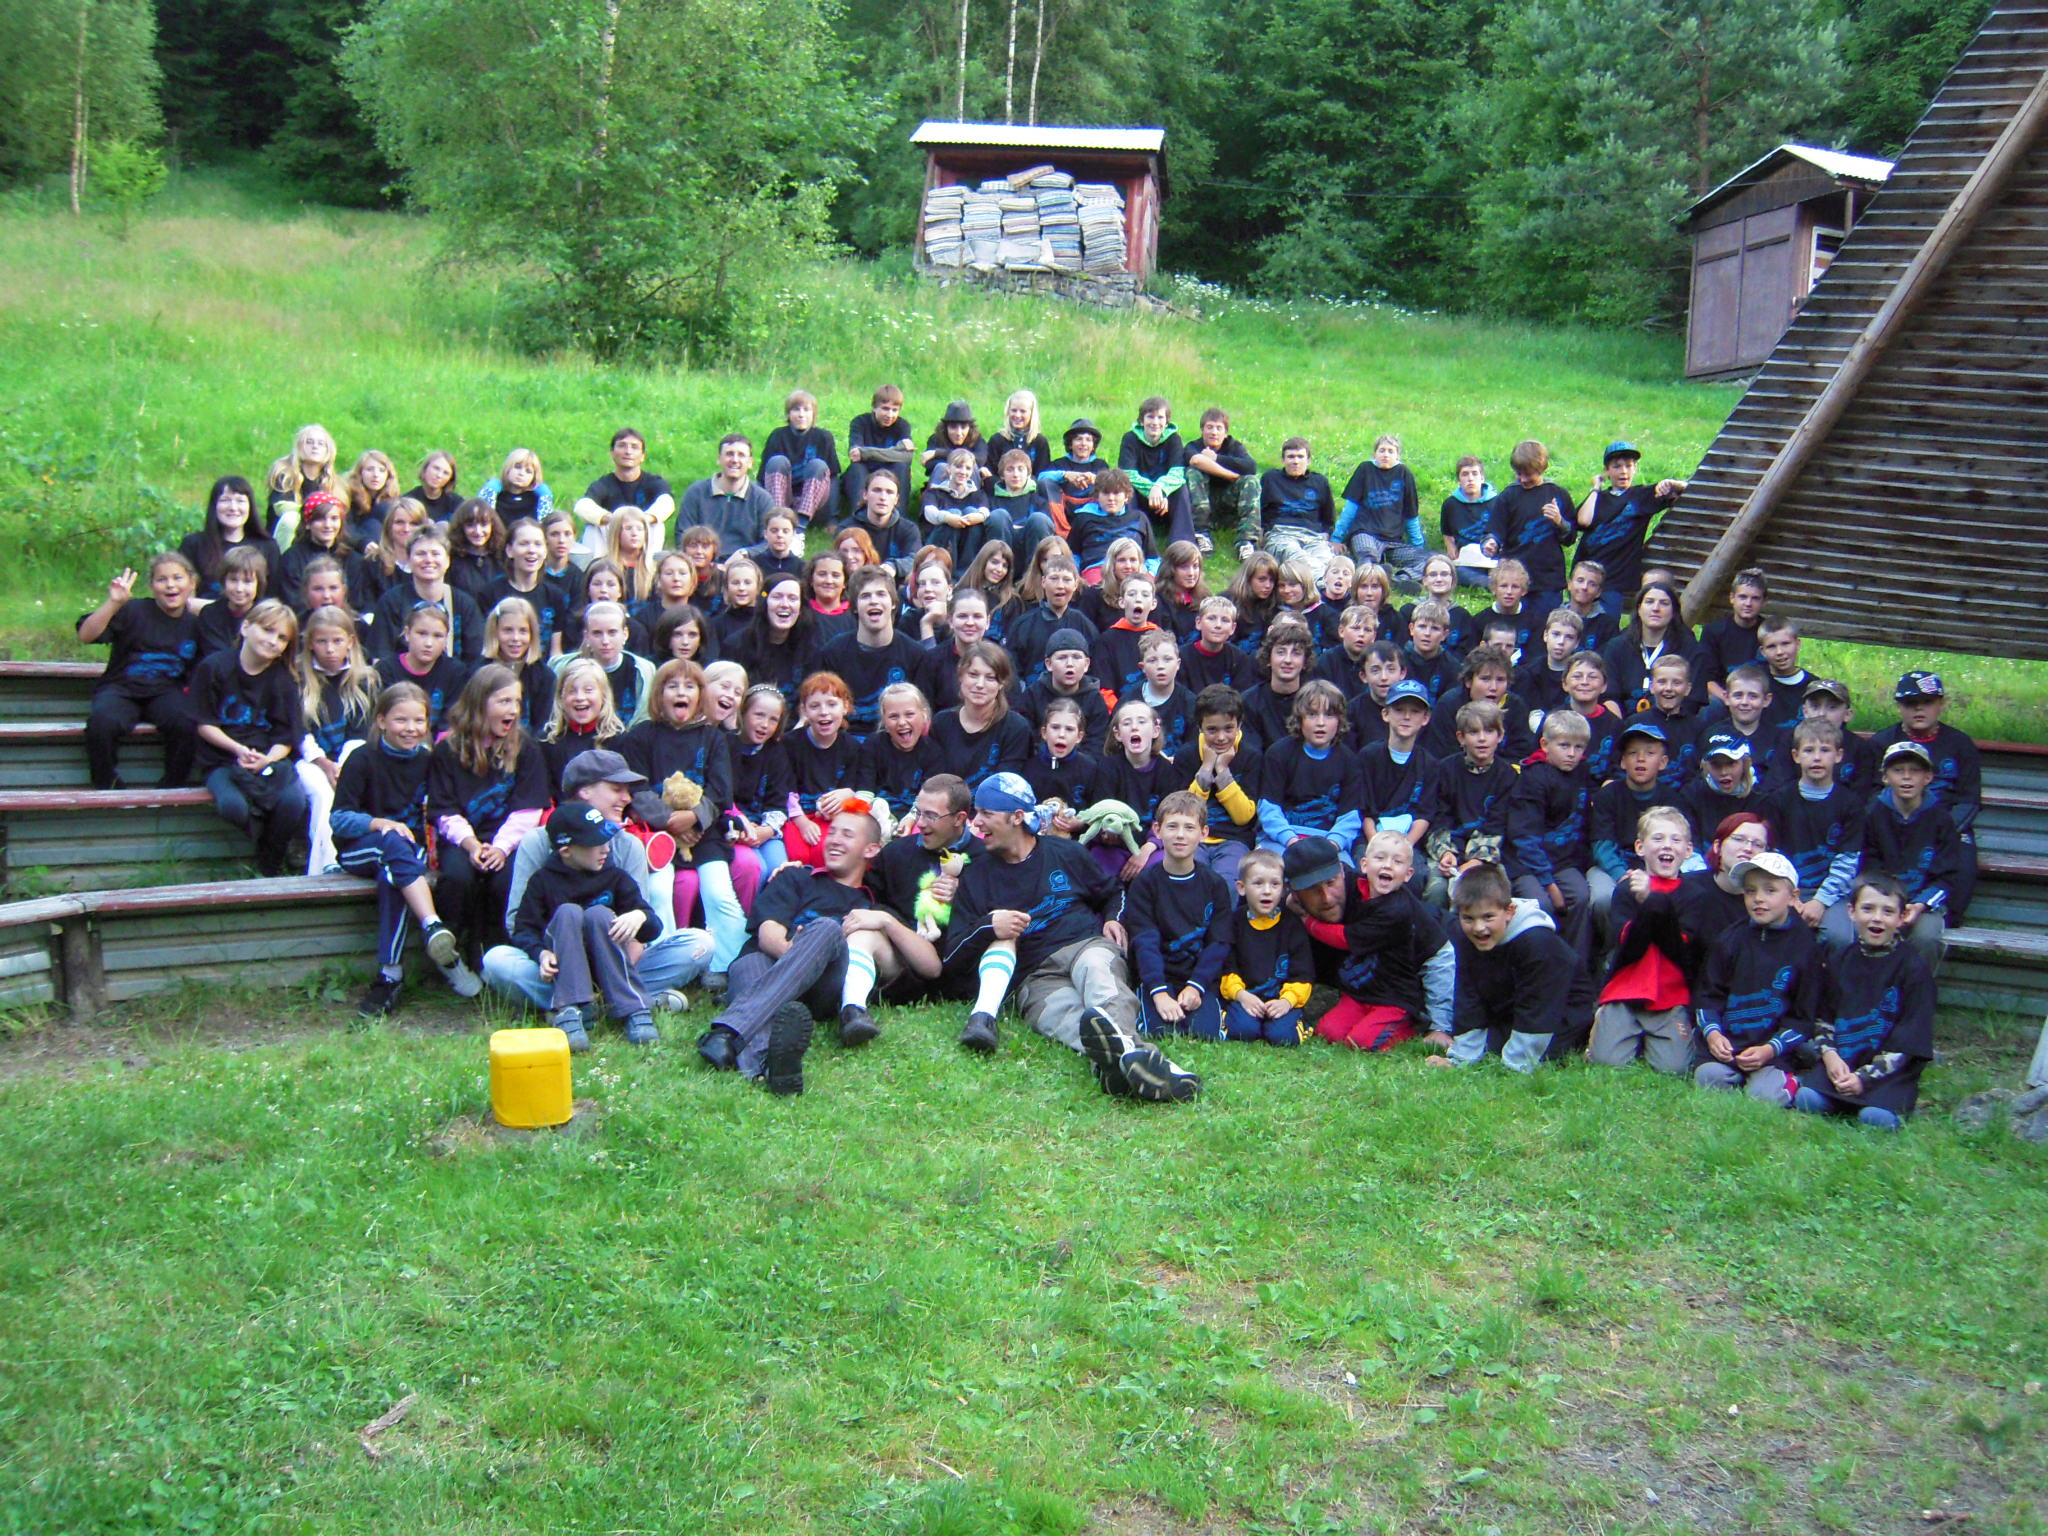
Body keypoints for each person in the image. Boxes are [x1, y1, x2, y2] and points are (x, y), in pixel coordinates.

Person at [942, 773, 1202, 1100]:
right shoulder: (977, 875)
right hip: (1035, 977)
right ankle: (1148, 1068)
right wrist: (989, 926)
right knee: (1071, 1021)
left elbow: (1113, 892)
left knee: (1101, 983)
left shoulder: (1064, 852)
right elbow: (951, 958)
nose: (976, 823)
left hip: (1084, 947)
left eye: (986, 813)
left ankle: (1128, 1064)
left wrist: (1113, 918)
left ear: (1017, 817)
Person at [693, 805, 942, 1093]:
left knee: (826, 929)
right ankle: (766, 1067)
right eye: (831, 833)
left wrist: (887, 922)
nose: (834, 840)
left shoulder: (872, 907)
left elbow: (932, 967)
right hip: (764, 964)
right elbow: (768, 932)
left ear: (871, 849)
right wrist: (800, 955)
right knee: (750, 963)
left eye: (847, 835)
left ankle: (726, 1031)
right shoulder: (796, 877)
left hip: (820, 988)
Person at [484, 748, 712, 1014]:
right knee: (496, 961)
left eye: (628, 791)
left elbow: (639, 928)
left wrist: (633, 927)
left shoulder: (627, 845)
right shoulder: (539, 841)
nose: (627, 798)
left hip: (617, 960)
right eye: (616, 789)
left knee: (700, 943)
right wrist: (546, 955)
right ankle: (622, 999)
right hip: (558, 963)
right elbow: (518, 922)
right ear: (585, 791)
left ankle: (585, 1002)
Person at [332, 682, 484, 1016]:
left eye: (419, 720)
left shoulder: (429, 761)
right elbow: (339, 820)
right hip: (360, 849)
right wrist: (378, 824)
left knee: (394, 876)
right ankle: (435, 932)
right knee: (392, 843)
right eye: (401, 720)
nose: (411, 728)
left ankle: (390, 976)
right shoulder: (362, 759)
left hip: (407, 857)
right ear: (381, 721)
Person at [620, 659, 747, 978]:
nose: (681, 693)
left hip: (705, 833)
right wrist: (669, 820)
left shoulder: (712, 738)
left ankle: (727, 966)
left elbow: (720, 790)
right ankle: (665, 965)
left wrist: (693, 817)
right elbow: (637, 788)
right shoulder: (641, 736)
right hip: (657, 835)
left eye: (689, 687)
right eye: (672, 686)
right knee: (658, 891)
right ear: (658, 694)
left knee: (719, 893)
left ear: (700, 694)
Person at [506, 802, 660, 1050]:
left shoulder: (616, 877)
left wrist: (639, 916)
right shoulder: (542, 881)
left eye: (607, 840)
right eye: (596, 844)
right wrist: (540, 953)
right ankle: (571, 1009)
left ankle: (633, 1007)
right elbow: (523, 929)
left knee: (599, 914)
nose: (606, 849)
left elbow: (653, 928)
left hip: (613, 964)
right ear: (566, 850)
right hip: (563, 967)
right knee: (564, 915)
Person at [1791, 874, 1936, 1130]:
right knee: (1806, 1098)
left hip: (1889, 1070)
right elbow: (1824, 1020)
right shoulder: (1839, 960)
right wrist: (1831, 1058)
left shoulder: (1914, 969)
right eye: (1868, 909)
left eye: (1888, 911)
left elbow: (1909, 1041)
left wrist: (1863, 1078)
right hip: (1845, 1059)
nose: (1877, 918)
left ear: (1902, 917)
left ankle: (1865, 1100)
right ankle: (1839, 1093)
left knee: (1875, 1119)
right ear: (1851, 911)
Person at [428, 663, 552, 964]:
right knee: (457, 878)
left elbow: (528, 808)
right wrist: (472, 845)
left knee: (506, 880)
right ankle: (453, 956)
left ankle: (500, 954)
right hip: (462, 840)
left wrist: (500, 848)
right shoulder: (447, 750)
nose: (513, 710)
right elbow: (443, 810)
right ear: (480, 702)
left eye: (517, 702)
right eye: (504, 701)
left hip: (508, 841)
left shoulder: (526, 748)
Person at [1434, 863, 1596, 1072]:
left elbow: (1538, 1010)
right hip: (1510, 1011)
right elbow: (1468, 998)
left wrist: (1514, 1065)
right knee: (1486, 1046)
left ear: (1509, 911)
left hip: (1560, 1014)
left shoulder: (1538, 943)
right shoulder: (1465, 937)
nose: (1478, 928)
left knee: (1539, 1052)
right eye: (1468, 918)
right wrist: (1461, 1058)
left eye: (1488, 917)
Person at [1300, 831, 1455, 1051]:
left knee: (1361, 1042)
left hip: (1396, 995)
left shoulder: (1396, 909)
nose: (1387, 865)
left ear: (1408, 874)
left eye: (1397, 862)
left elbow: (1345, 939)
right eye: (1380, 858)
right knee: (1328, 1032)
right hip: (1362, 993)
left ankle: (1415, 1025)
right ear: (1364, 864)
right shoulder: (1356, 887)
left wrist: (1307, 921)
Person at [190, 599, 308, 877]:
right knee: (233, 807)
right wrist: (238, 749)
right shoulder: (214, 667)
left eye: (282, 638)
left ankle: (270, 867)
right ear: (245, 627)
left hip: (268, 760)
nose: (273, 641)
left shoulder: (284, 680)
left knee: (293, 802)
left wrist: (268, 758)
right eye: (267, 630)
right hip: (223, 759)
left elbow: (286, 736)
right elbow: (204, 724)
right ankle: (265, 840)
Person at [1693, 849, 1823, 1101]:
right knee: (1708, 1078)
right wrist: (1713, 1034)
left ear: (1793, 896)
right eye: (1750, 891)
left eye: (1770, 890)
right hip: (1730, 1045)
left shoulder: (1806, 948)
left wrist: (1770, 1050)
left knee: (1765, 1097)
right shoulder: (1729, 939)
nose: (1758, 899)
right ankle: (1736, 1074)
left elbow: (1805, 1018)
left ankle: (1791, 1079)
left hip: (1775, 1051)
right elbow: (1707, 996)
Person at [1823, 740, 1961, 965]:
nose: (1906, 777)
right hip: (1877, 898)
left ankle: (1916, 985)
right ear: (1885, 777)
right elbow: (1866, 867)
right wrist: (1887, 908)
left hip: (1921, 903)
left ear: (1927, 777)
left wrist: (1920, 905)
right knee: (1850, 931)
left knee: (1926, 937)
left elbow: (1947, 877)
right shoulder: (1871, 815)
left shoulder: (1942, 820)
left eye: (1914, 771)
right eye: (1898, 770)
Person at [1589, 805, 1702, 1073]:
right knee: (1606, 1062)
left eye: (1676, 839)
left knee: (1673, 1069)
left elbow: (1680, 949)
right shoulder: (1626, 889)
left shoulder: (1694, 895)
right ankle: (1607, 1022)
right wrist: (1650, 905)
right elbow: (1628, 945)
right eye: (1658, 838)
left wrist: (1653, 901)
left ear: (1688, 850)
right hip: (1626, 987)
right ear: (1640, 847)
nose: (1667, 845)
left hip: (1670, 993)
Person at [78, 554, 202, 789]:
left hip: (166, 692)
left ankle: (171, 788)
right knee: (101, 724)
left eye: (178, 578)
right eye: (162, 579)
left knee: (186, 723)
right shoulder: (134, 610)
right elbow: (86, 635)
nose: (170, 585)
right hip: (121, 689)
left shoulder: (196, 624)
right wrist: (114, 603)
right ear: (152, 586)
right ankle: (107, 784)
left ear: (192, 583)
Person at [1869, 669, 1980, 918]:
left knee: (1962, 856)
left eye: (1927, 702)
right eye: (1910, 703)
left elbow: (1969, 800)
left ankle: (1943, 914)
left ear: (1941, 703)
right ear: (1899, 706)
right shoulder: (1881, 743)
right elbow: (1872, 794)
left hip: (1949, 825)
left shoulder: (1961, 744)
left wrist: (1939, 829)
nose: (1919, 709)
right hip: (1894, 820)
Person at [1124, 793, 1234, 1040]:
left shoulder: (1215, 885)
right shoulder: (1145, 884)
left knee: (1205, 1034)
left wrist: (1197, 986)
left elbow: (1219, 942)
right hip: (1158, 976)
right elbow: (1144, 941)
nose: (1180, 835)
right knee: (1158, 1032)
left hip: (1198, 977)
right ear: (1157, 830)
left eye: (1189, 828)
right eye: (1172, 826)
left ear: (1203, 833)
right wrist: (1159, 992)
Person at [1488, 708, 1596, 959]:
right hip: (1526, 863)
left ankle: (1573, 964)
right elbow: (1524, 838)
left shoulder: (1582, 772)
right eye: (1564, 745)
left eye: (1579, 747)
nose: (1572, 754)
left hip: (1562, 859)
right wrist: (1550, 884)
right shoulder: (1533, 778)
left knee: (1581, 896)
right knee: (1542, 903)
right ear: (1545, 744)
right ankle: (1540, 963)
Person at [1759, 718, 1866, 931]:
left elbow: (1848, 861)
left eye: (1825, 750)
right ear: (1796, 756)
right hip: (1785, 889)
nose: (1817, 757)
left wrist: (1820, 902)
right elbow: (1772, 854)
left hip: (1833, 894)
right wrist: (1790, 897)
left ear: (1838, 755)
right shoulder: (1778, 801)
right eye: (1808, 750)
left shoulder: (1851, 804)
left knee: (1838, 937)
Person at [1422, 700, 1515, 906]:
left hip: (1487, 856)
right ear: (1461, 737)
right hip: (1448, 852)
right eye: (1473, 732)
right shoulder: (1444, 769)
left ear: (1500, 736)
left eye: (1489, 731)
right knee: (1436, 890)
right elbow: (1437, 817)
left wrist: (1476, 861)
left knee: (1495, 891)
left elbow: (1498, 823)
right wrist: (1445, 852)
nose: (1482, 738)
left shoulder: (1507, 775)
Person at [1572, 441, 1684, 613]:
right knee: (1575, 622)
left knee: (1606, 624)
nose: (1623, 471)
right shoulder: (1598, 498)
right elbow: (1583, 521)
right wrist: (1596, 488)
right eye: (1616, 466)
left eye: (1629, 466)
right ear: (1606, 471)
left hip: (1615, 580)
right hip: (1586, 577)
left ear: (1635, 469)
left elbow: (1689, 491)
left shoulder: (1641, 496)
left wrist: (1672, 483)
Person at [1218, 849, 1316, 1044]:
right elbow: (1227, 966)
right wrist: (1241, 995)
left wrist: (1287, 1001)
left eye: (1274, 884)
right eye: (1258, 883)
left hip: (1281, 999)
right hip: (1246, 997)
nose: (1267, 891)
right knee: (1243, 1031)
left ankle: (1300, 1024)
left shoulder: (1292, 925)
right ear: (1241, 887)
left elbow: (1303, 973)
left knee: (1281, 1037)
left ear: (1284, 888)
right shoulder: (1234, 922)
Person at [817, 565, 928, 737]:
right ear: (855, 607)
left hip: (896, 740)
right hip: (846, 741)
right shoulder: (833, 652)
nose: (873, 601)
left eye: (881, 594)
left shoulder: (915, 655)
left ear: (893, 603)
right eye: (865, 596)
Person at [1257, 681, 1360, 856]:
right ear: (1300, 718)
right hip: (1282, 839)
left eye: (1329, 715)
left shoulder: (1349, 761)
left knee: (1341, 872)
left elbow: (1350, 817)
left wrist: (1331, 845)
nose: (1320, 723)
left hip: (1328, 841)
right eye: (1312, 715)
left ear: (1339, 720)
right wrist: (1292, 841)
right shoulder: (1278, 754)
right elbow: (1269, 809)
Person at [1482, 440, 1576, 615]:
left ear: (1542, 469)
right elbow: (1494, 529)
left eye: (1528, 474)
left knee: (1545, 624)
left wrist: (1560, 522)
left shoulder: (1558, 494)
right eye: (1519, 474)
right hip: (1514, 578)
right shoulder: (1509, 495)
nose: (1523, 479)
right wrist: (1490, 542)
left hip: (1548, 578)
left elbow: (1570, 538)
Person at [1352, 680, 1438, 869]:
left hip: (1409, 843)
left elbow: (1424, 815)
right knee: (1363, 871)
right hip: (1370, 839)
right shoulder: (1368, 757)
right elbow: (1363, 811)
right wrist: (1377, 845)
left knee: (1416, 876)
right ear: (1385, 714)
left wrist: (1405, 847)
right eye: (1399, 710)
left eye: (1415, 711)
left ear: (1425, 718)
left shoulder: (1429, 764)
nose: (1406, 717)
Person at [371, 527, 483, 664]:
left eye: (435, 554)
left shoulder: (465, 605)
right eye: (420, 554)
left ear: (448, 561)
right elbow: (380, 659)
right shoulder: (391, 602)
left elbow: (476, 661)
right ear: (409, 560)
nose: (429, 560)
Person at [1334, 433, 1427, 585]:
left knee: (1429, 560)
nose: (1386, 455)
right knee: (1367, 556)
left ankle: (1399, 580)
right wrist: (1336, 538)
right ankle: (1374, 576)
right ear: (1375, 453)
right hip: (1366, 534)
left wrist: (1418, 546)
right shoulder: (1365, 469)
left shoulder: (1404, 473)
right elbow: (1350, 509)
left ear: (1397, 456)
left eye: (1391, 451)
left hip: (1394, 542)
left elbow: (1411, 515)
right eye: (1382, 450)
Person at [552, 601, 654, 725]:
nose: (605, 641)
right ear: (586, 636)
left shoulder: (644, 671)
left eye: (612, 632)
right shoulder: (562, 667)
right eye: (597, 633)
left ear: (625, 634)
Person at [182, 475, 282, 601]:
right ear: (214, 505)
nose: (233, 508)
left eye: (240, 501)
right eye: (225, 500)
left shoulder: (268, 546)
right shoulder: (194, 544)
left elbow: (273, 597)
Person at [1249, 437, 1337, 579]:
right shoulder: (1271, 478)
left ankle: (1322, 584)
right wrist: (1260, 534)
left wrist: (1327, 533)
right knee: (1298, 559)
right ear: (1283, 460)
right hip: (1281, 534)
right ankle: (1322, 584)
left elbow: (1329, 516)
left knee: (1329, 563)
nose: (1295, 461)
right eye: (1291, 457)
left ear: (1308, 460)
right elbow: (1259, 511)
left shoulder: (1320, 482)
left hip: (1313, 537)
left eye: (1300, 457)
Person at [374, 604, 468, 734]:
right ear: (407, 634)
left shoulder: (455, 672)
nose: (428, 643)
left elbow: (450, 723)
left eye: (438, 636)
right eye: (422, 634)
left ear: (446, 639)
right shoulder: (386, 669)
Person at [678, 434, 776, 557]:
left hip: (746, 564)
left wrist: (745, 554)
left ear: (750, 462)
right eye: (729, 454)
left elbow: (768, 542)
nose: (735, 460)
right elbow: (682, 535)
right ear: (719, 459)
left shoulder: (762, 499)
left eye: (741, 455)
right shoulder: (696, 493)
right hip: (702, 561)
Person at [1118, 396, 1193, 551]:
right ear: (1141, 421)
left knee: (1181, 489)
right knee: (1125, 488)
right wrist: (1152, 491)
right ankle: (1132, 541)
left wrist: (1160, 489)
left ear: (1167, 422)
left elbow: (1177, 473)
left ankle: (1181, 544)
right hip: (1141, 498)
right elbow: (1127, 474)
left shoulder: (1174, 439)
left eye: (1160, 417)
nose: (1155, 422)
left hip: (1165, 500)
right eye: (1150, 417)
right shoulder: (1130, 439)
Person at [1183, 406, 1259, 555]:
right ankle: (1201, 533)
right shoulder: (1193, 446)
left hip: (1228, 503)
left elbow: (1251, 466)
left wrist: (1217, 458)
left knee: (1251, 480)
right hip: (1202, 503)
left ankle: (1246, 541)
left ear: (1226, 433)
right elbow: (1196, 460)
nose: (1214, 432)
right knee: (1193, 472)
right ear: (1202, 430)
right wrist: (1230, 475)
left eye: (1219, 428)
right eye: (1209, 427)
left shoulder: (1234, 447)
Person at [762, 390, 841, 527]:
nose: (801, 414)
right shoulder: (777, 436)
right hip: (783, 498)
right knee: (777, 461)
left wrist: (832, 518)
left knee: (818, 465)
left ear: (813, 414)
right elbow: (763, 477)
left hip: (814, 501)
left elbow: (833, 478)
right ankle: (779, 520)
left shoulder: (823, 437)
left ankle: (800, 526)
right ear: (788, 414)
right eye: (796, 409)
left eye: (806, 410)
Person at [842, 383, 916, 516]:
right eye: (885, 409)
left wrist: (866, 453)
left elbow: (907, 457)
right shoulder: (860, 422)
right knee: (856, 468)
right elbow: (855, 455)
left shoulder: (902, 425)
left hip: (891, 471)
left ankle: (899, 517)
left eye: (894, 410)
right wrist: (895, 450)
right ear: (874, 407)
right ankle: (859, 516)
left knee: (902, 467)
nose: (890, 415)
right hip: (866, 470)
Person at [263, 422, 342, 542]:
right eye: (309, 442)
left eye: (321, 444)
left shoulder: (331, 482)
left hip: (316, 537)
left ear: (328, 451)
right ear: (299, 447)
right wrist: (316, 512)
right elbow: (280, 507)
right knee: (291, 519)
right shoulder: (285, 474)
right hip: (284, 538)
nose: (315, 446)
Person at [1036, 418, 1110, 529]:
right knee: (1045, 483)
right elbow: (1041, 477)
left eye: (1088, 440)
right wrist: (1065, 475)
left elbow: (1112, 484)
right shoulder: (1059, 464)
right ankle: (1062, 531)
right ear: (1070, 444)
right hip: (1062, 511)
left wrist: (1096, 479)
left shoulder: (1100, 465)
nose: (1083, 443)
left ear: (1093, 446)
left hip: (1091, 513)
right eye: (1078, 439)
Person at [1440, 455, 1498, 587]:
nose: (1470, 479)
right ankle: (1492, 584)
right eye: (1465, 474)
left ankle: (1498, 581)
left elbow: (1503, 532)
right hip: (1466, 559)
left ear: (1482, 478)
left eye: (1475, 474)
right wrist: (1450, 546)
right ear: (1459, 480)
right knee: (1454, 572)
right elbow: (1447, 532)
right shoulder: (1450, 504)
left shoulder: (1496, 502)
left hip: (1491, 558)